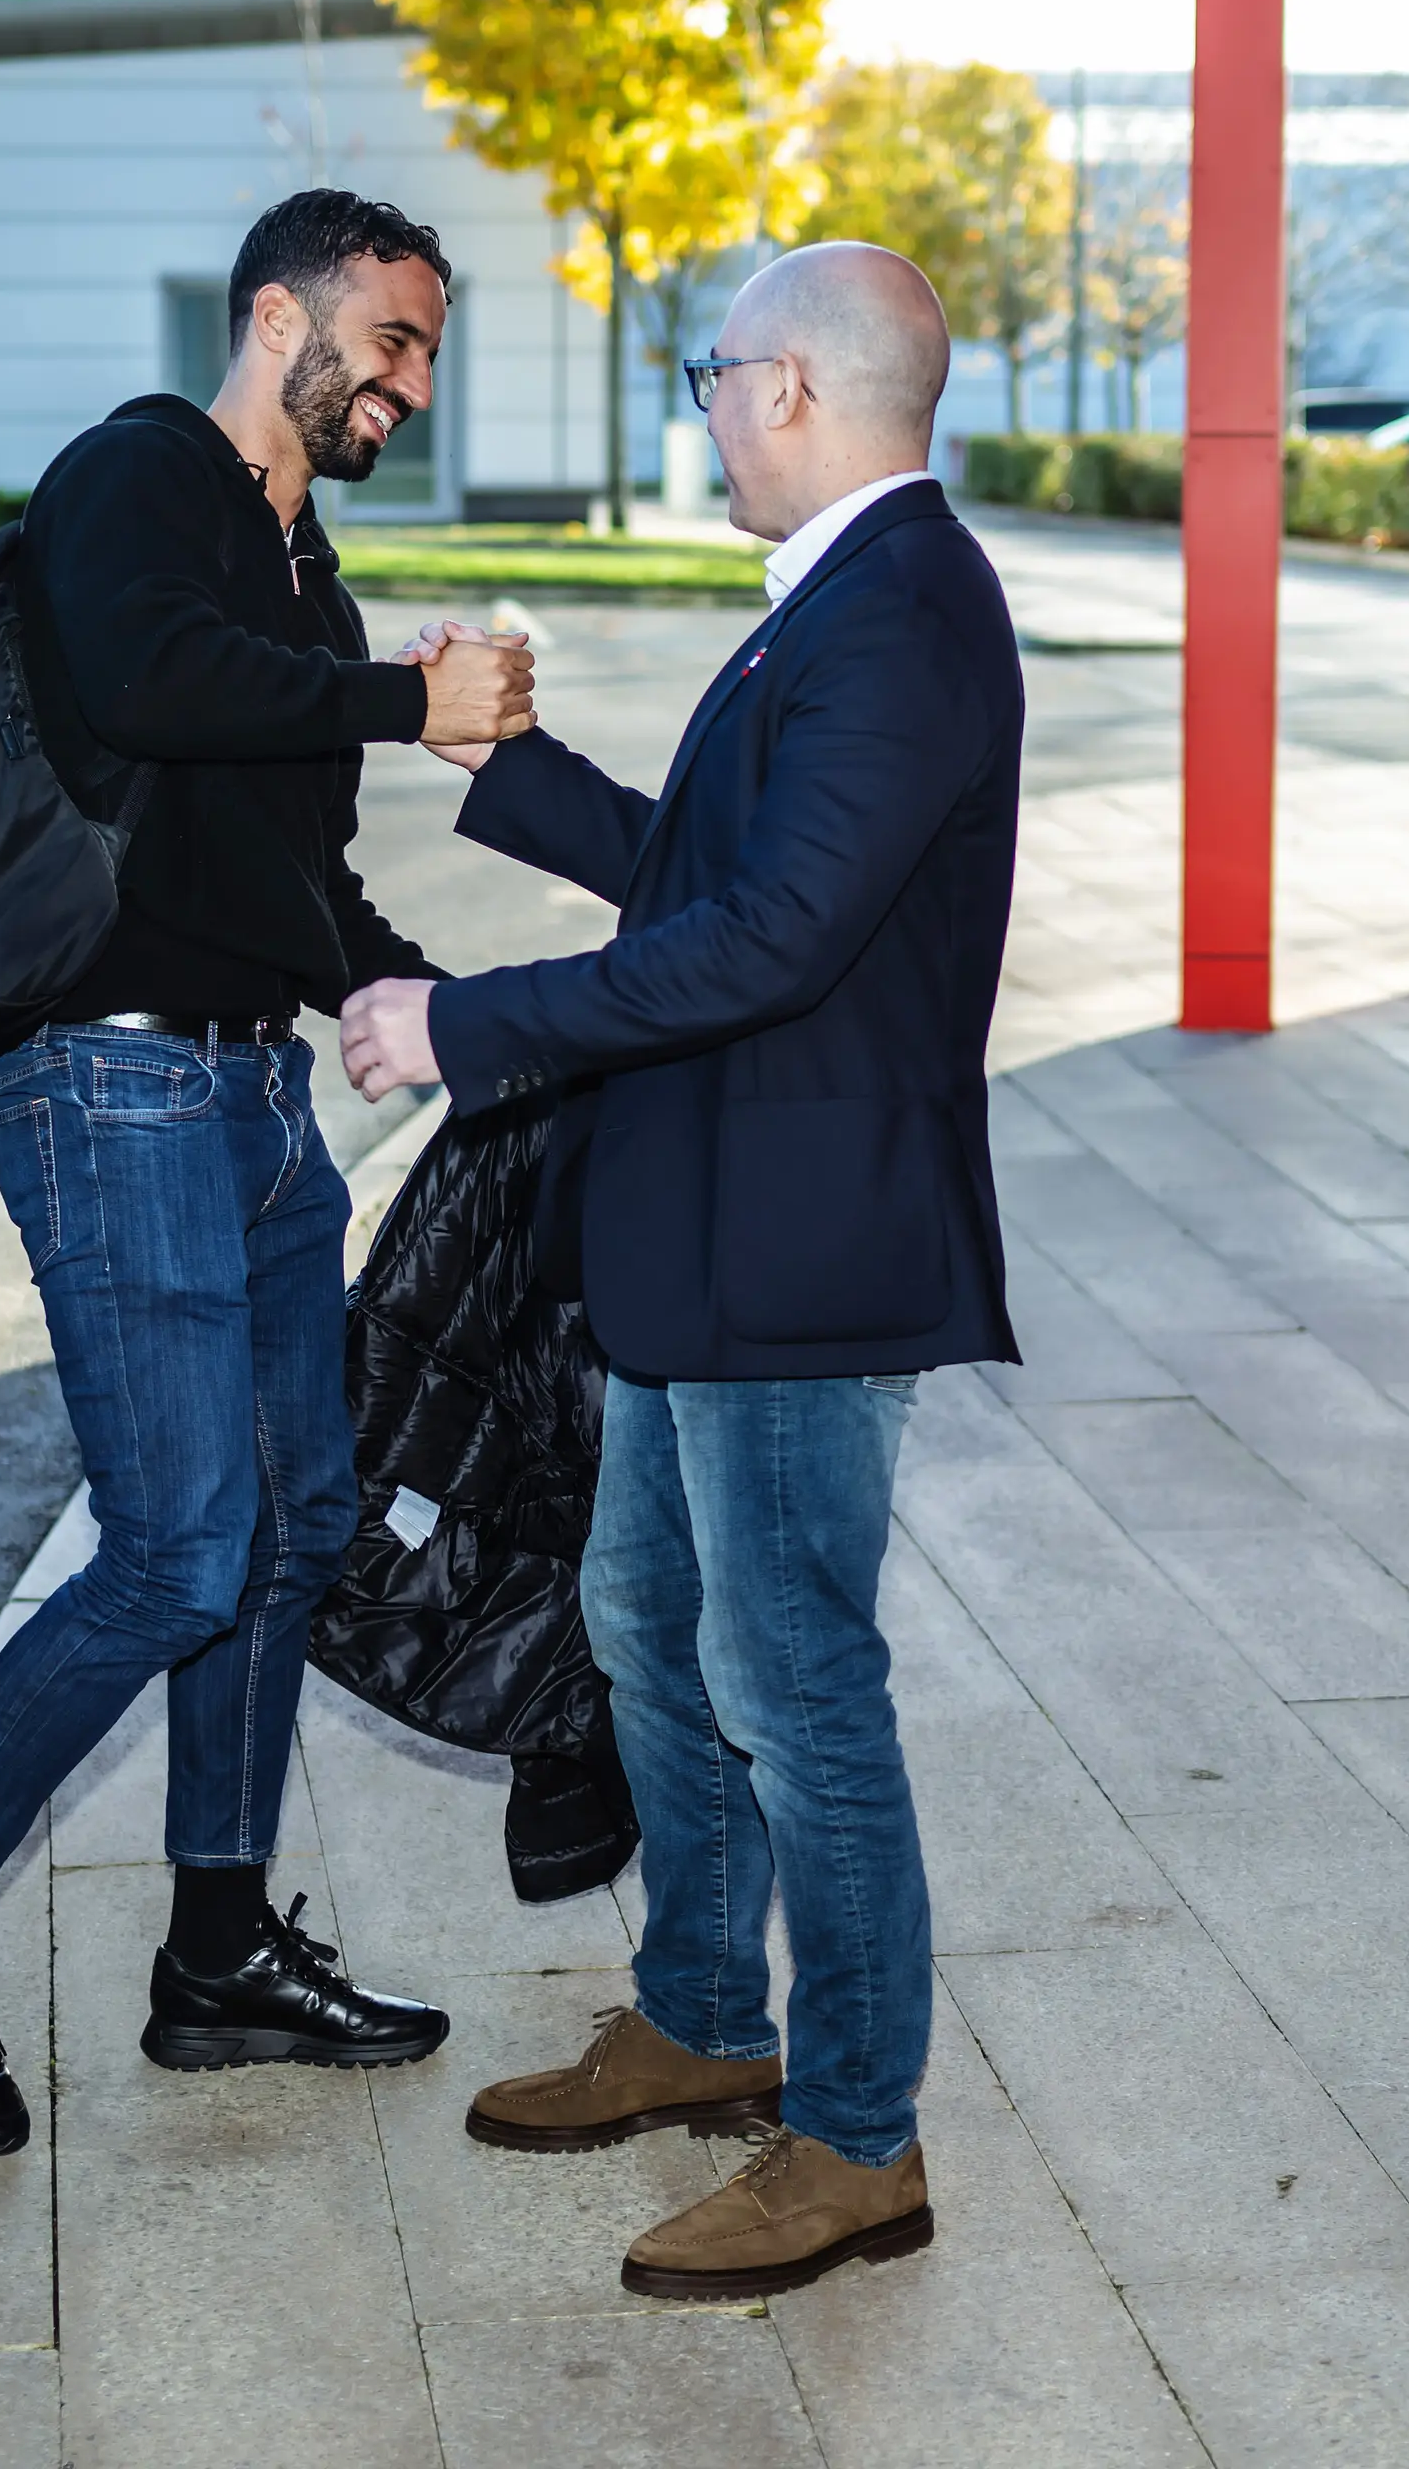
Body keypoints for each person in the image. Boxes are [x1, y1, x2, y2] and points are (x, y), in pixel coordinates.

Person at [0, 190, 537, 2159]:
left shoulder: (309, 580)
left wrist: (474, 1024)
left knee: (295, 1527)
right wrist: (405, 700)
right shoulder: (136, 475)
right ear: (279, 313)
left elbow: (303, 879)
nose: (414, 378)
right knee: (176, 1546)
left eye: (432, 349)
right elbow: (138, 677)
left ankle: (215, 1948)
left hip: (256, 1107)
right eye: (393, 334)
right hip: (111, 1093)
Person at [336, 241, 1022, 2297]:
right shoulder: (837, 600)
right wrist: (508, 775)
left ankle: (857, 2137)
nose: (702, 407)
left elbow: (772, 944)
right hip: (708, 1230)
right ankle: (709, 2009)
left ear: (795, 387)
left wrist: (466, 1026)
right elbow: (725, 880)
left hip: (805, 1253)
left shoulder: (901, 613)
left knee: (798, 1682)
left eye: (715, 373)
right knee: (647, 1612)